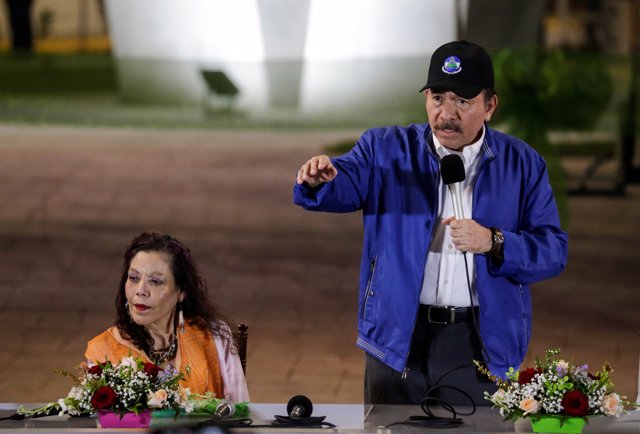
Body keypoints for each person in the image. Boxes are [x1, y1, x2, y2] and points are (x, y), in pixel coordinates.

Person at [294, 40, 568, 406]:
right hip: (396, 339)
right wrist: (319, 179)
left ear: (490, 106)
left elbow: (552, 250)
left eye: (462, 101)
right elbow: (345, 180)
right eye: (438, 98)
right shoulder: (385, 149)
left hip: (480, 345)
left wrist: (494, 242)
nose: (446, 113)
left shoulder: (523, 164)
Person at [85, 232, 249, 403]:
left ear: (181, 292)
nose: (140, 290)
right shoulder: (103, 350)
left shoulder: (213, 336)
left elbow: (242, 412)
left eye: (155, 281)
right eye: (133, 278)